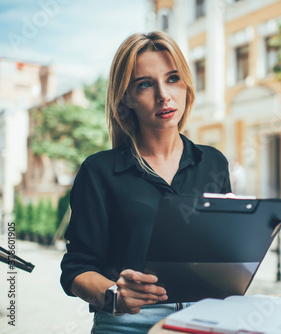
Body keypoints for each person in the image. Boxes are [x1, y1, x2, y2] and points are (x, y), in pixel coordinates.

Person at [60, 31, 231, 333]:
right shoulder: (98, 172)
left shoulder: (213, 163)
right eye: (145, 84)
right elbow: (76, 269)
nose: (164, 95)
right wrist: (115, 295)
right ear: (126, 97)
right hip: (129, 323)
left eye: (173, 78)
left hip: (206, 316)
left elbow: (223, 258)